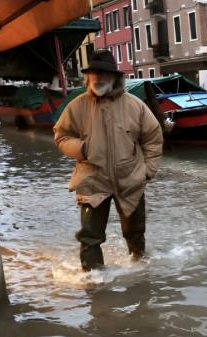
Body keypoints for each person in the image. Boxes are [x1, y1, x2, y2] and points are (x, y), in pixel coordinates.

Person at [54, 50, 163, 271]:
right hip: (92, 180)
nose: (98, 77)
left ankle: (141, 277)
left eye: (103, 73)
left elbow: (153, 137)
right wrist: (81, 149)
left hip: (130, 179)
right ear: (88, 76)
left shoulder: (135, 105)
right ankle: (94, 283)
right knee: (90, 238)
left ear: (115, 77)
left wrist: (148, 171)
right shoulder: (77, 106)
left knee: (136, 234)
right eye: (94, 72)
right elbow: (61, 136)